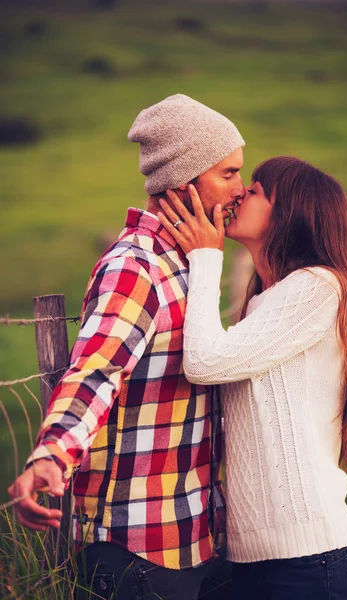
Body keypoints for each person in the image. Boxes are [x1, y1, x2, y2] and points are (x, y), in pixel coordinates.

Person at [8, 94, 246, 600]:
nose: (240, 189)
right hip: (138, 546)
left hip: (190, 531)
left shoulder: (189, 262)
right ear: (185, 181)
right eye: (228, 174)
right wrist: (51, 455)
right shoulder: (136, 268)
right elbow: (96, 372)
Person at [158, 156, 347, 600]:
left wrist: (205, 257)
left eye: (256, 189)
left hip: (311, 563)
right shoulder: (269, 300)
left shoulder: (318, 288)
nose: (240, 193)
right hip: (255, 561)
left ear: (290, 214)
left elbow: (203, 362)